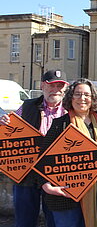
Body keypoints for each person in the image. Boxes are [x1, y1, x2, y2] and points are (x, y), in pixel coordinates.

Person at [40, 79, 97, 227]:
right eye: (78, 94)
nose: (82, 98)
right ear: (71, 97)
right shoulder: (60, 125)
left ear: (93, 98)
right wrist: (47, 186)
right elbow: (43, 160)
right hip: (67, 197)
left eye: (87, 95)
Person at [0, 69, 68, 227]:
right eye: (51, 85)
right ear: (43, 86)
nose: (55, 90)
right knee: (24, 220)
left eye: (59, 86)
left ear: (65, 88)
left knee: (54, 220)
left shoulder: (71, 110)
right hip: (26, 172)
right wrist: (4, 122)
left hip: (55, 172)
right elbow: (10, 127)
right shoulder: (28, 105)